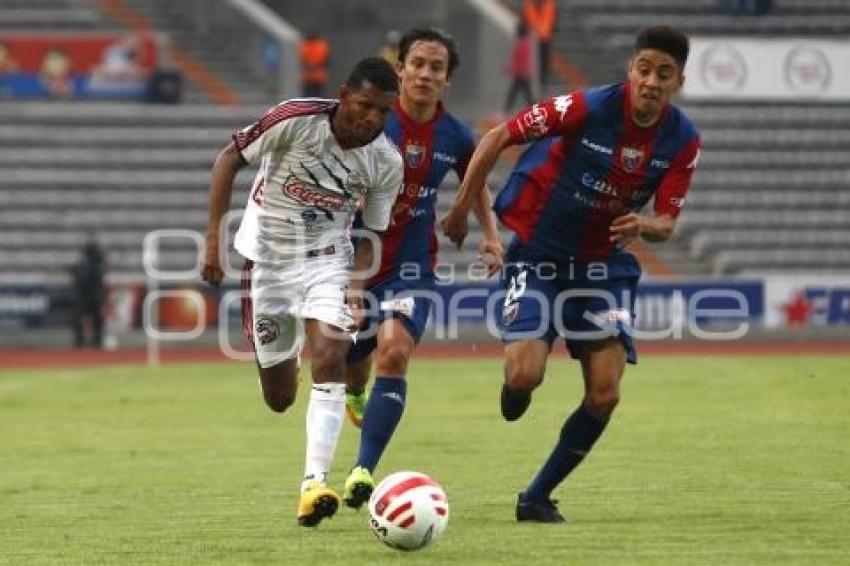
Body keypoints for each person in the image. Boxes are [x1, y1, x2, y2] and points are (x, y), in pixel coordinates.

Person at [442, 25, 701, 523]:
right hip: (538, 256)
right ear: (631, 70)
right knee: (524, 377)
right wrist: (458, 211)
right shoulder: (589, 107)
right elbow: (499, 135)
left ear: (678, 82)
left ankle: (536, 496)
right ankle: (517, 387)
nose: (651, 81)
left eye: (663, 74)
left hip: (602, 267)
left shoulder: (683, 140)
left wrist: (646, 223)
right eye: (643, 69)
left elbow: (668, 222)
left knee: (605, 393)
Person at [201, 57, 403, 527]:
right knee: (279, 399)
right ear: (344, 95)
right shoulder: (295, 120)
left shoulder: (385, 160)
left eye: (382, 112)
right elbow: (230, 157)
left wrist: (355, 287)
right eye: (364, 107)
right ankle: (285, 360)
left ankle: (313, 484)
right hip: (266, 262)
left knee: (329, 352)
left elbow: (371, 234)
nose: (371, 119)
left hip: (326, 261)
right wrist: (213, 236)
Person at [340, 28, 504, 510]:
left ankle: (363, 471)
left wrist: (491, 236)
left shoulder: (454, 135)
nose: (426, 74)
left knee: (394, 352)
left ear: (447, 79)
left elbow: (475, 182)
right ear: (401, 69)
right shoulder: (373, 123)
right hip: (353, 260)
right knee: (354, 362)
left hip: (411, 265)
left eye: (437, 67)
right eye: (418, 64)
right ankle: (356, 393)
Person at [70, 238, 105, 349]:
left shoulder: (82, 264)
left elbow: (75, 277)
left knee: (82, 320)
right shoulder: (95, 264)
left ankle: (81, 342)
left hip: (83, 296)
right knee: (95, 320)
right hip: (90, 296)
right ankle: (94, 342)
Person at [522, 0, 557, 87]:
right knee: (532, 63)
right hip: (532, 38)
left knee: (544, 62)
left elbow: (554, 20)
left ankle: (542, 82)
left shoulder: (549, 4)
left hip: (545, 38)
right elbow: (524, 20)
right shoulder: (529, 4)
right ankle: (535, 83)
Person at [504, 21, 534, 113]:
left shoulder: (522, 43)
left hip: (521, 73)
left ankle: (505, 111)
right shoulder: (524, 42)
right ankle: (534, 108)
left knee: (517, 92)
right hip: (522, 73)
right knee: (524, 93)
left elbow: (520, 60)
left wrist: (512, 69)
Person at [300, 31, 330, 97]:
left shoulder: (304, 45)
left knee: (307, 98)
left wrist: (309, 66)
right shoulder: (322, 45)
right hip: (318, 76)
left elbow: (299, 60)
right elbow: (327, 61)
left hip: (307, 76)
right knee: (318, 97)